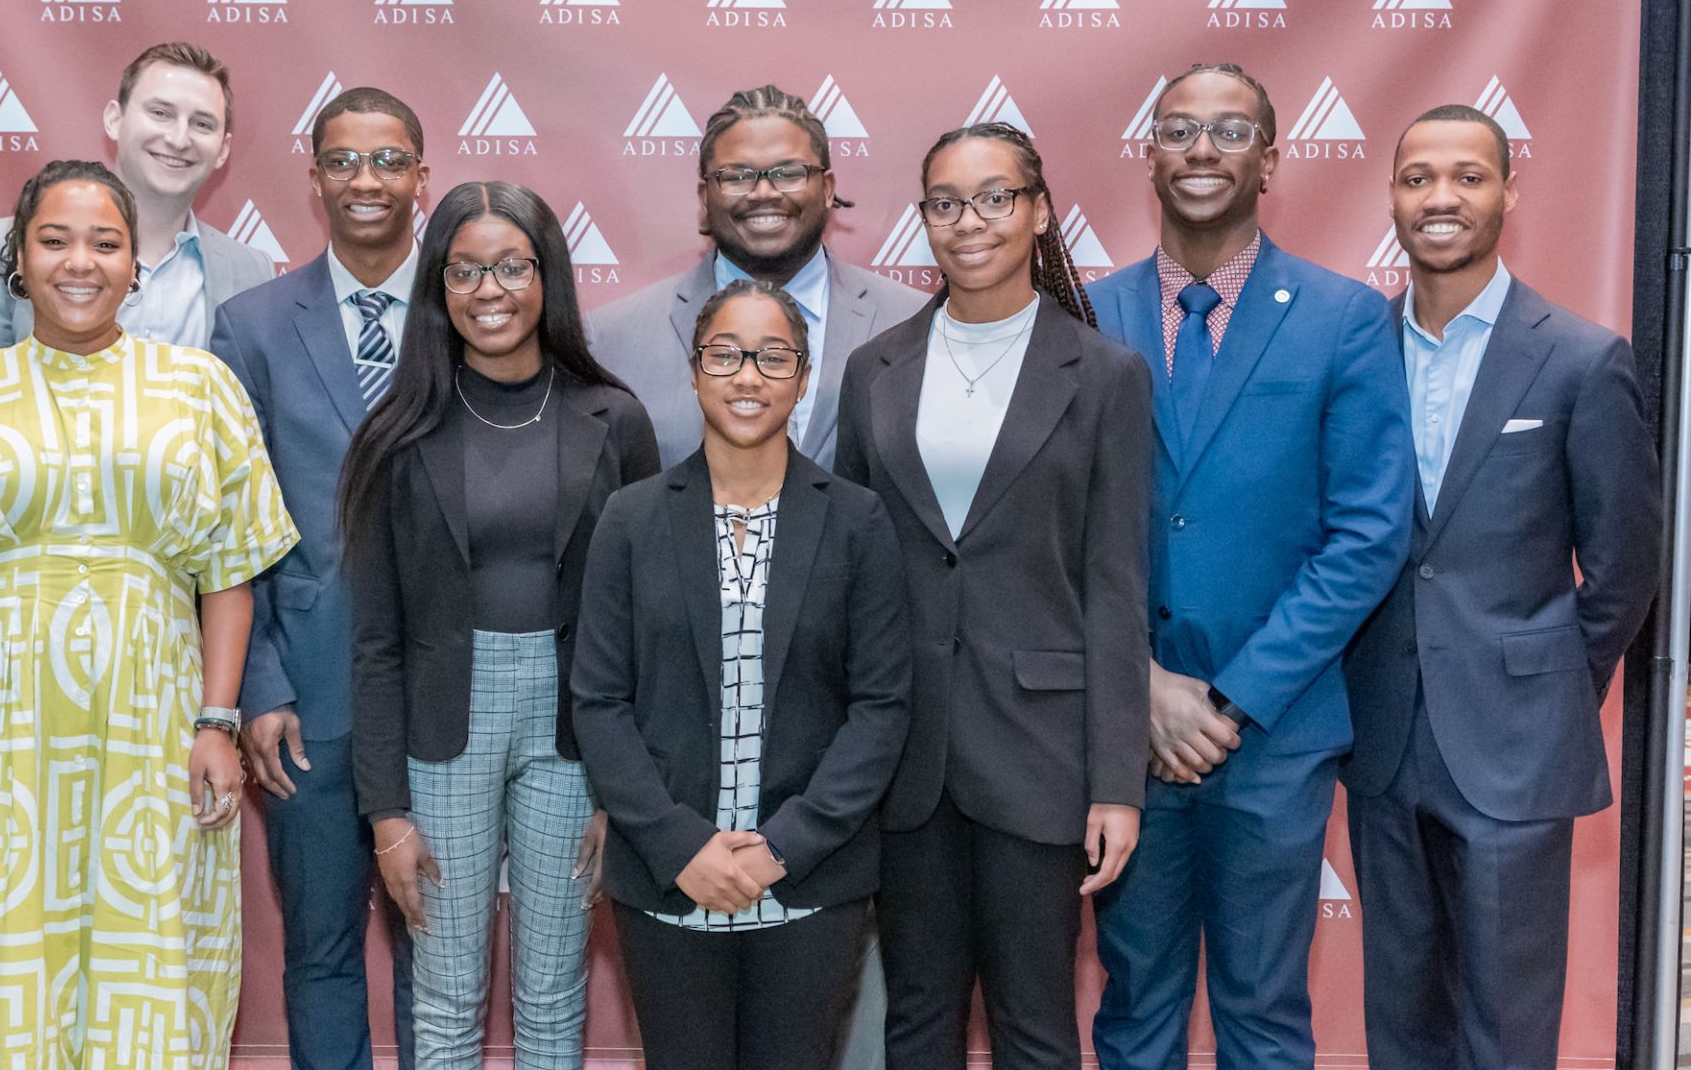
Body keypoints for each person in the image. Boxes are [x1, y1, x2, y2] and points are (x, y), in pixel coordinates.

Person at [0, 159, 297, 1066]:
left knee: (144, 938)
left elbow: (228, 576)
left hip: (148, 721)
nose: (79, 262)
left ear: (136, 265)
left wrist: (216, 719)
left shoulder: (201, 391)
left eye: (105, 242)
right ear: (18, 259)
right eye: (54, 240)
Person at [1086, 63, 1413, 1070]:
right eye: (1180, 129)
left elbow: (1366, 536)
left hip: (1272, 735)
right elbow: (1050, 533)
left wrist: (1229, 701)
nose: (1201, 149)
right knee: (1135, 1012)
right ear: (1150, 154)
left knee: (1264, 1016)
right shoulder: (1086, 318)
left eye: (1230, 131)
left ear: (1270, 158)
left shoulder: (1344, 318)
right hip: (1124, 733)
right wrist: (1139, 685)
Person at [1341, 105, 1660, 1070]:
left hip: (1516, 742)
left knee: (1509, 1025)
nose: (1441, 197)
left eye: (1468, 177)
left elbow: (1625, 565)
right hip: (1383, 732)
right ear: (1393, 197)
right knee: (1401, 1020)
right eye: (1418, 177)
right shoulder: (1351, 353)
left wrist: (1551, 681)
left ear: (1508, 192)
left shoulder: (1580, 357)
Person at [833, 121, 1151, 1070]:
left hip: (1042, 754)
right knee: (918, 1020)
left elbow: (1116, 584)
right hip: (906, 753)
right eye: (944, 202)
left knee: (1036, 1023)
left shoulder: (1104, 375)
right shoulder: (874, 370)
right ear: (923, 218)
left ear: (1040, 210)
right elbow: (851, 571)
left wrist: (1115, 783)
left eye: (994, 197)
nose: (968, 221)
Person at [343, 180, 660, 1069]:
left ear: (547, 276)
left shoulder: (616, 419)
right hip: (444, 725)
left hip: (576, 726)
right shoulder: (397, 435)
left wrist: (619, 787)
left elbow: (640, 620)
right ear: (438, 287)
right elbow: (375, 640)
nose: (491, 290)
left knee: (555, 992)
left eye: (512, 266)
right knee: (444, 997)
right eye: (466, 269)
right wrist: (386, 816)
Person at [573, 280, 912, 1070]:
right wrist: (679, 844)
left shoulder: (857, 521)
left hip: (809, 884)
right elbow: (598, 702)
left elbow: (881, 708)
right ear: (694, 372)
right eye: (725, 355)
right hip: (668, 880)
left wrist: (781, 847)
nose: (748, 375)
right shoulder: (631, 518)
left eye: (772, 356)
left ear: (802, 376)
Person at [209, 86, 428, 1069]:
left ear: (422, 176)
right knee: (325, 952)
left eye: (388, 161)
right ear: (315, 178)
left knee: (445, 947)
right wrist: (258, 684)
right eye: (344, 160)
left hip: (453, 692)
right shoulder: (250, 324)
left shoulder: (480, 301)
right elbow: (226, 531)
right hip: (311, 690)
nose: (366, 180)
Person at [587, 84, 926, 470]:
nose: (764, 192)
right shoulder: (611, 340)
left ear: (829, 189)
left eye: (789, 173)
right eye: (737, 176)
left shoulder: (914, 322)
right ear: (704, 197)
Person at [0, 42, 272, 367]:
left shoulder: (252, 272)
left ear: (224, 149)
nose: (178, 139)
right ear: (115, 119)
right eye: (160, 113)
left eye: (202, 124)